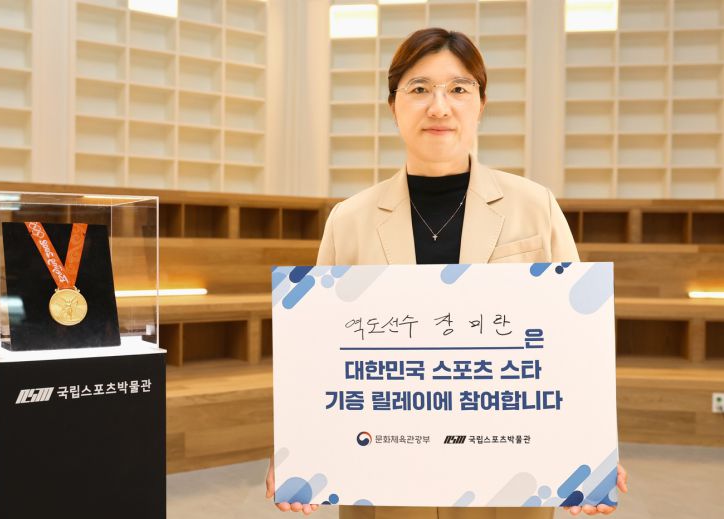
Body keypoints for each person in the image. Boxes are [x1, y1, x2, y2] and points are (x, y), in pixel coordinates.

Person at [266, 28, 627, 518]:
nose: (439, 107)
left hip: (506, 480)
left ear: (481, 104)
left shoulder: (535, 206)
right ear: (393, 105)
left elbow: (574, 344)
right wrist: (296, 447)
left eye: (458, 88)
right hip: (385, 478)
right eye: (419, 89)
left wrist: (593, 445)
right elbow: (319, 353)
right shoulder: (348, 219)